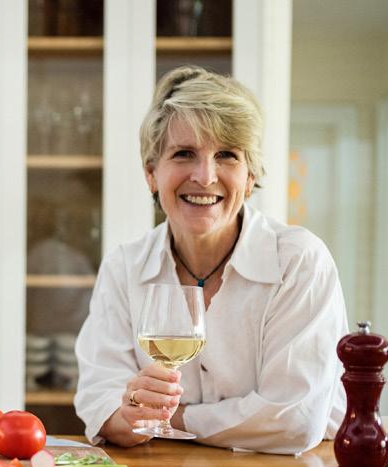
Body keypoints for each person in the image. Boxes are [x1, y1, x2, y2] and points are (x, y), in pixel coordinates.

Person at [73, 66, 348, 455]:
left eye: (226, 155)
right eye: (184, 154)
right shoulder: (125, 266)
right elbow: (99, 403)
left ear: (250, 177)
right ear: (152, 173)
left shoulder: (298, 261)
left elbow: (293, 419)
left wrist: (166, 418)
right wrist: (129, 415)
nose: (204, 176)